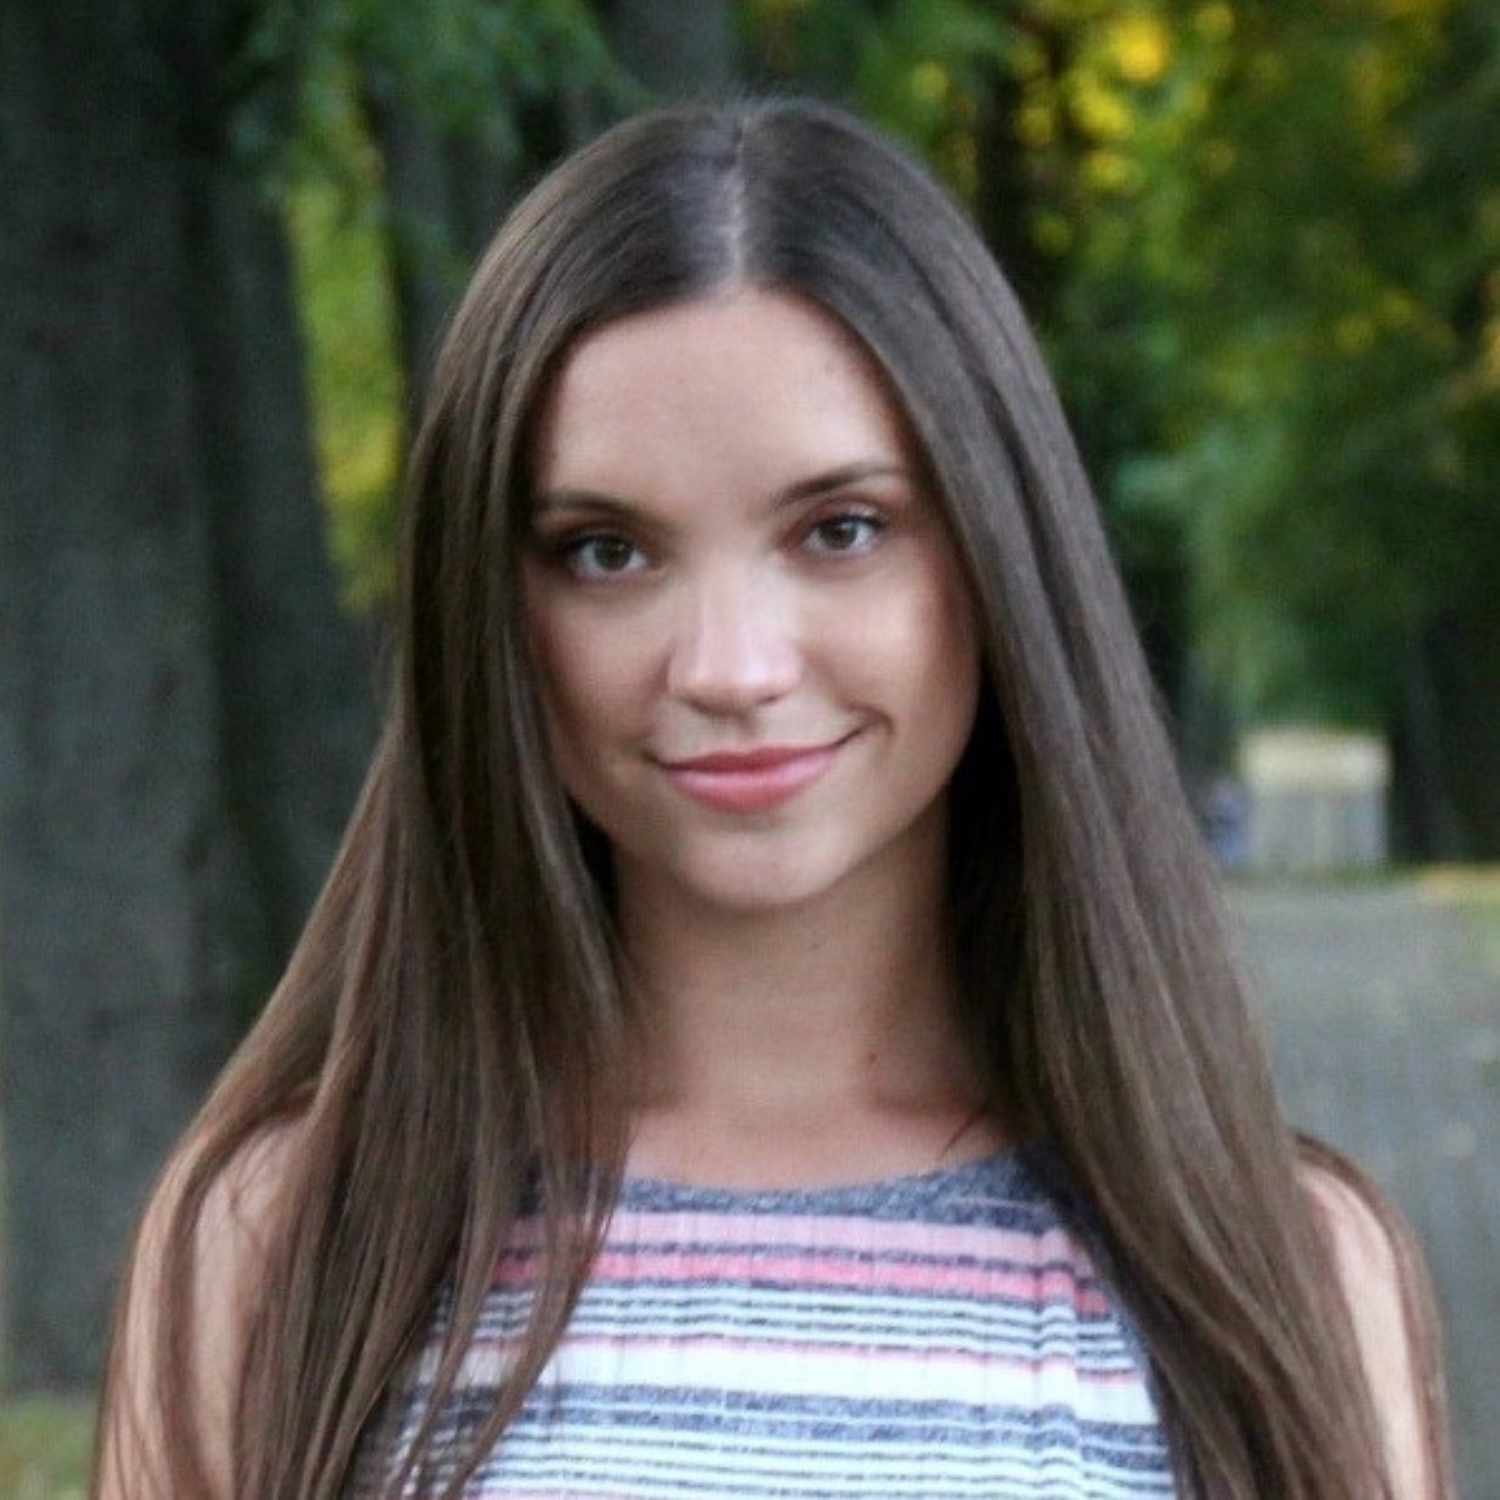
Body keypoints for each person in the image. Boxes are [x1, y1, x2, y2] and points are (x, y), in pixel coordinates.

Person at [92, 98, 1452, 1499]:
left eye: (841, 530)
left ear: (997, 558)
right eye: (606, 551)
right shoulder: (284, 1248)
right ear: (488, 609)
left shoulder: (1282, 1271)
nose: (731, 667)